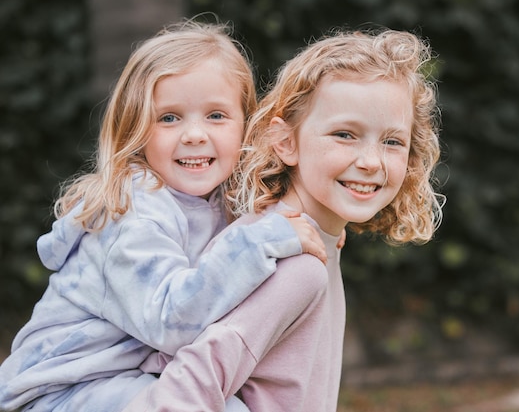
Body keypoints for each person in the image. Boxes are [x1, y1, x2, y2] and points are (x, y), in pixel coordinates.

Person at [0, 20, 328, 412]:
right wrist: (265, 239)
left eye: (216, 116)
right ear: (135, 130)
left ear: (246, 126)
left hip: (128, 379)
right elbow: (174, 323)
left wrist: (309, 222)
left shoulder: (221, 199)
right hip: (62, 389)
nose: (194, 134)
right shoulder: (132, 212)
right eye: (169, 118)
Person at [122, 27, 444, 412]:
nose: (371, 161)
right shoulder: (291, 262)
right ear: (286, 141)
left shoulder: (310, 238)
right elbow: (186, 386)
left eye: (392, 141)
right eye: (345, 134)